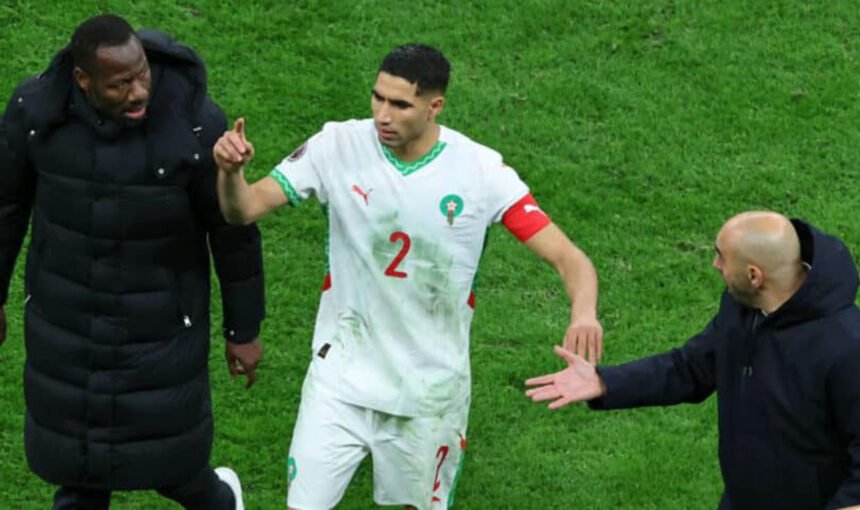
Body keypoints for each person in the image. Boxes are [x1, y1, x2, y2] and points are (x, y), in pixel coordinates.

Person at [213, 43, 603, 509]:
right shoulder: (336, 146)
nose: (382, 115)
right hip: (340, 380)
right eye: (378, 97)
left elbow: (569, 258)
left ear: (434, 106)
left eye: (400, 105)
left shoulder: (480, 172)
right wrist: (230, 174)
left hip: (428, 395)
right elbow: (244, 210)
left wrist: (584, 313)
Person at [0, 14, 265, 510]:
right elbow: (5, 206)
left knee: (175, 467)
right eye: (120, 84)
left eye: (141, 74)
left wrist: (243, 328)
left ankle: (223, 500)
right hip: (66, 327)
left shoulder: (193, 121)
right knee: (79, 473)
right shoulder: (35, 112)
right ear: (83, 80)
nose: (139, 91)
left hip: (160, 332)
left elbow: (232, 228)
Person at [525, 211, 860, 509]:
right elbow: (691, 368)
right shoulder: (744, 308)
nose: (715, 265)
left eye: (722, 257)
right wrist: (604, 381)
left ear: (754, 276)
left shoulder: (846, 347)